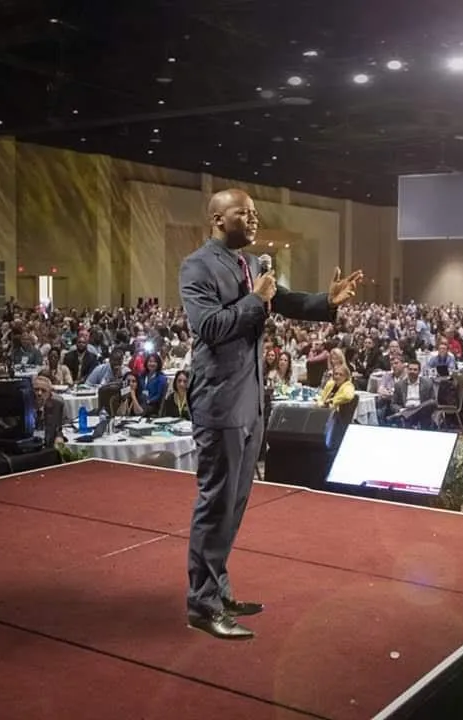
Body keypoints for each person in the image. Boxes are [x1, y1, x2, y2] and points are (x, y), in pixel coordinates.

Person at [179, 188, 363, 640]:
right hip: (220, 402)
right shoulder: (197, 266)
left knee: (235, 504)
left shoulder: (246, 263)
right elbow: (210, 327)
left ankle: (218, 589)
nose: (254, 219)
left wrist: (327, 302)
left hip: (249, 403)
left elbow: (285, 299)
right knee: (216, 503)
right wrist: (256, 299)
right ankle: (201, 605)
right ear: (219, 220)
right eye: (245, 212)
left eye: (256, 212)